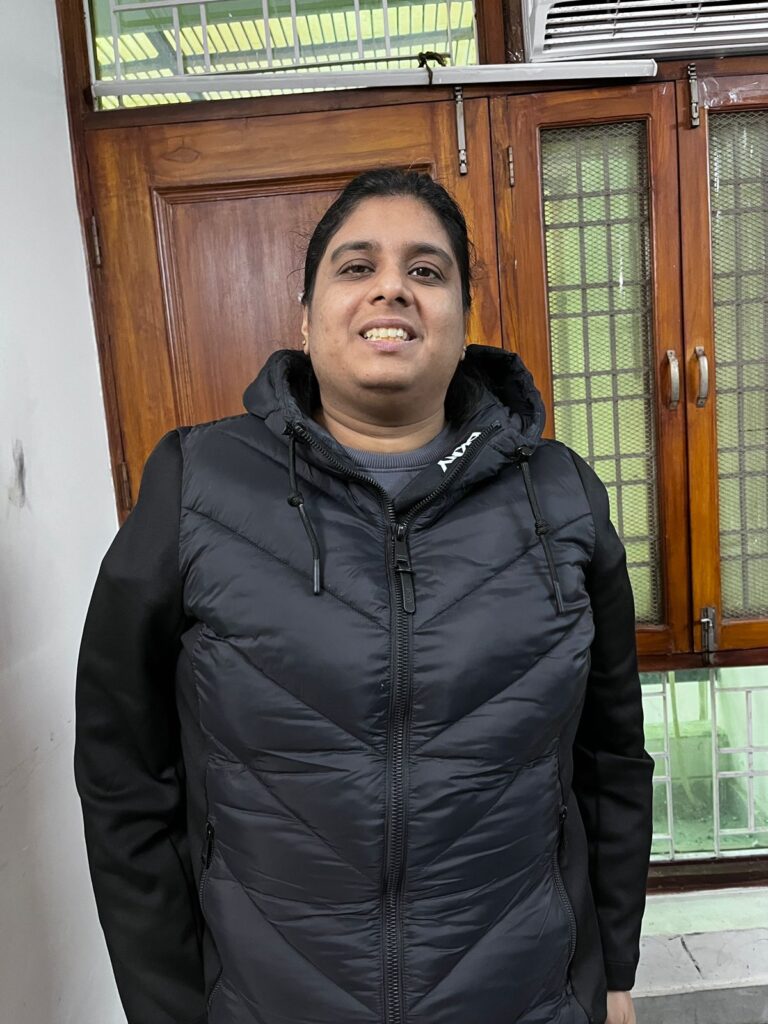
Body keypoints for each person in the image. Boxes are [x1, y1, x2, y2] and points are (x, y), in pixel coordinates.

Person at [75, 168, 654, 1024]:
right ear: (306, 318)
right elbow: (123, 774)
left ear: (462, 319)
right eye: (356, 266)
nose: (392, 287)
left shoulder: (560, 496)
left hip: (526, 997)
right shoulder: (194, 484)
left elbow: (611, 762)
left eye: (426, 270)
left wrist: (614, 973)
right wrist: (168, 1006)